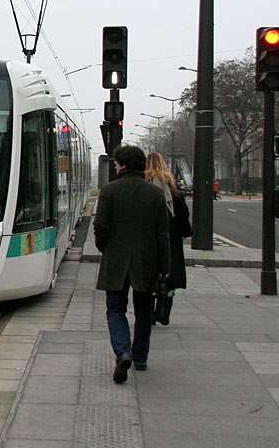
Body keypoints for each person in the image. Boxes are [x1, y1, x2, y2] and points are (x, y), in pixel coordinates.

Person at [94, 145, 170, 383]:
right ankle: (140, 357)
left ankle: (122, 351)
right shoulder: (155, 194)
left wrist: (105, 248)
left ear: (122, 164)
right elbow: (162, 234)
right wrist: (164, 266)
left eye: (116, 164)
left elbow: (101, 227)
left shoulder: (108, 191)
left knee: (115, 309)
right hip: (147, 261)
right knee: (144, 310)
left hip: (115, 260)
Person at [146, 153, 188, 323]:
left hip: (149, 233)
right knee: (169, 271)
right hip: (170, 233)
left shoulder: (145, 183)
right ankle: (164, 310)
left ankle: (148, 311)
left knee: (149, 273)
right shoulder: (171, 185)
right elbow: (183, 213)